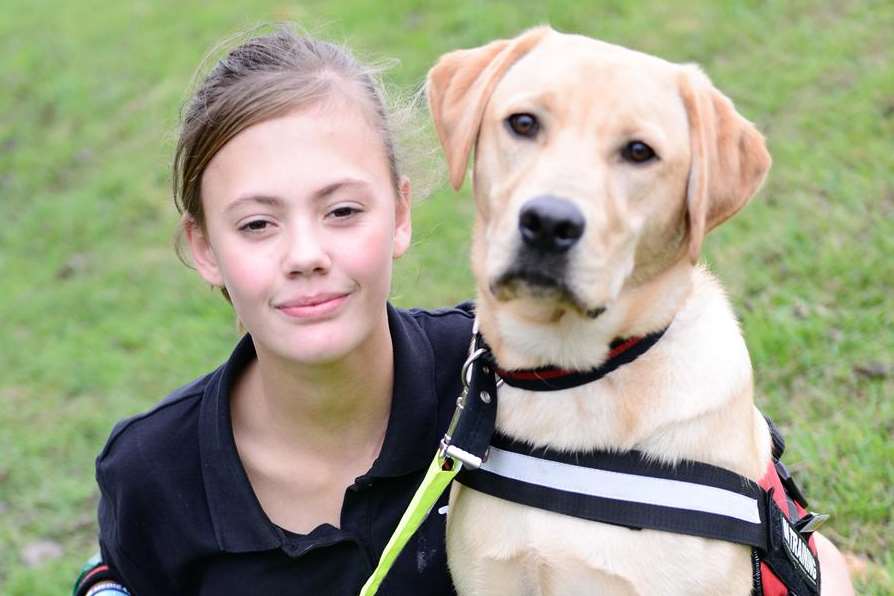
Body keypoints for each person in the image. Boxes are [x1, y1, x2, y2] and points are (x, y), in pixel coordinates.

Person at [76, 25, 854, 596]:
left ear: (402, 213)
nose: (558, 202)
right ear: (203, 246)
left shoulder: (472, 373)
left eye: (638, 153)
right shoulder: (152, 470)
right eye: (524, 126)